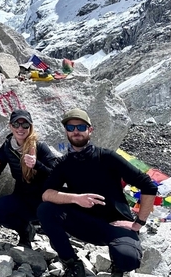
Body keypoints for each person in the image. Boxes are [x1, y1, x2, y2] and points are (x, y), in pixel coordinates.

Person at [38, 109, 158, 277]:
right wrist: (76, 198)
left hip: (116, 224)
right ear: (66, 132)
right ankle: (72, 264)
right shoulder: (64, 163)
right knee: (46, 209)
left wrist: (139, 223)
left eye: (80, 126)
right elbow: (46, 194)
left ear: (90, 130)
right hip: (85, 224)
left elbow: (148, 186)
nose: (76, 131)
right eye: (70, 128)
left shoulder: (107, 157)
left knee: (128, 259)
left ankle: (118, 266)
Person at [0, 109, 59, 246]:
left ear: (30, 127)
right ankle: (25, 231)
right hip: (22, 197)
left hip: (43, 200)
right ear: (10, 126)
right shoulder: (8, 146)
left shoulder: (40, 146)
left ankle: (61, 246)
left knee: (55, 232)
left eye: (25, 125)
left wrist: (37, 165)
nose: (20, 128)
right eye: (16, 124)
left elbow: (56, 175)